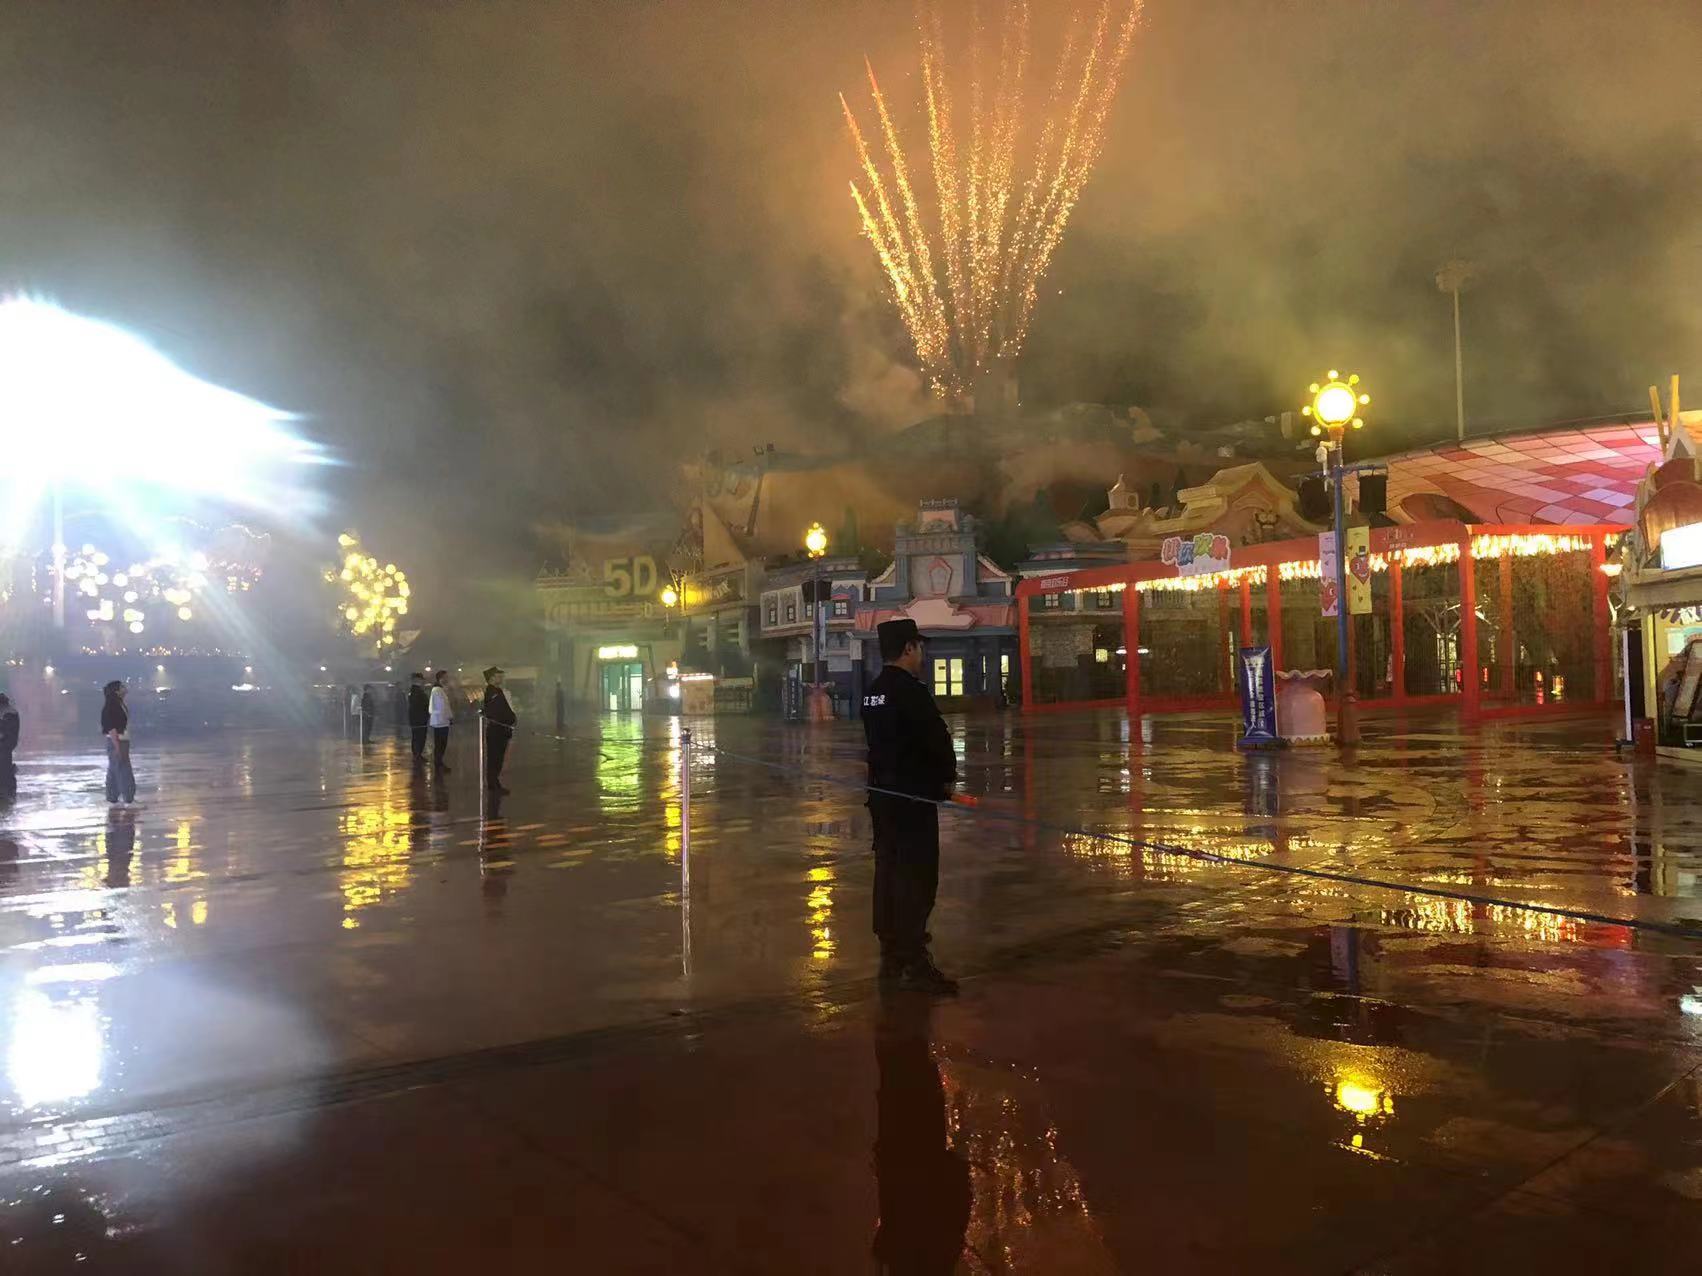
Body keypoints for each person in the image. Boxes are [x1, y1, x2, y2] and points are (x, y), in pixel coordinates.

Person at [862, 618, 958, 994]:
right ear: (908, 649)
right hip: (913, 800)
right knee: (918, 877)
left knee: (888, 871)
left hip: (883, 800)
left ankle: (890, 949)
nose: (923, 654)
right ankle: (914, 958)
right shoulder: (910, 692)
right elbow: (935, 739)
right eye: (919, 647)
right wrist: (945, 778)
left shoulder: (873, 692)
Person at [101, 679, 138, 806]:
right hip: (118, 740)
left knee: (114, 768)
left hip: (121, 740)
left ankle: (112, 797)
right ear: (116, 691)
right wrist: (116, 745)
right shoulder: (112, 706)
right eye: (122, 687)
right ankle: (128, 798)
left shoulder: (119, 704)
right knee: (123, 769)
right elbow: (111, 727)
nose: (125, 688)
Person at [482, 666, 517, 794]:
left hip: (501, 730)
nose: (501, 678)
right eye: (498, 676)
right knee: (495, 758)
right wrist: (510, 719)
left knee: (498, 758)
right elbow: (497, 712)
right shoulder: (492, 693)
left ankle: (494, 782)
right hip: (497, 730)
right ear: (491, 678)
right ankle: (493, 784)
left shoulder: (497, 691)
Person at [427, 669, 453, 772]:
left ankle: (439, 762)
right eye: (446, 677)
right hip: (441, 721)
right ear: (441, 679)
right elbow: (442, 707)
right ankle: (438, 763)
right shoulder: (437, 690)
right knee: (440, 744)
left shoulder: (439, 690)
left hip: (441, 720)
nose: (448, 679)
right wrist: (449, 716)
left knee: (441, 744)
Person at [407, 672, 430, 766]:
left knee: (416, 737)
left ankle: (417, 754)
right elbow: (421, 705)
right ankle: (418, 755)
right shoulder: (418, 692)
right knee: (420, 737)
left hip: (415, 719)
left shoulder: (413, 691)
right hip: (420, 719)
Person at [0, 694, 18, 798]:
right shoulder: (11, 712)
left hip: (5, 745)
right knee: (6, 766)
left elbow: (5, 730)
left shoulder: (7, 713)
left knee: (4, 767)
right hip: (8, 744)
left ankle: (6, 791)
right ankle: (9, 791)